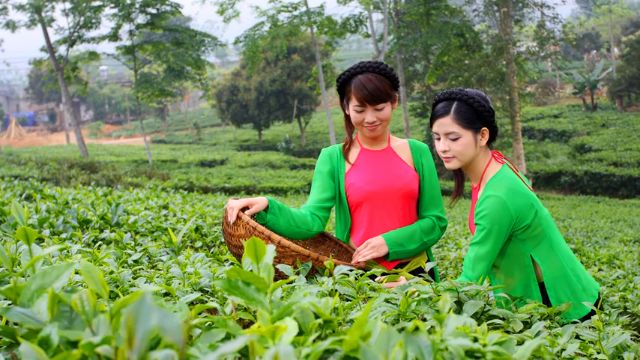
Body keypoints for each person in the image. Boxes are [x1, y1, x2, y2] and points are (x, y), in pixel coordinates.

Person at [226, 60, 448, 286]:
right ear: (346, 107)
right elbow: (311, 220)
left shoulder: (417, 152)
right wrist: (268, 206)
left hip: (414, 273)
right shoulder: (333, 158)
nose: (370, 118)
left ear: (394, 102)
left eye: (379, 108)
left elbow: (435, 221)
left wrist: (388, 243)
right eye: (360, 110)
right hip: (360, 275)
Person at [429, 88, 601, 321]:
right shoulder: (498, 164)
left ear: (482, 136)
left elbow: (470, 277)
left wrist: (416, 291)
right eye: (437, 137)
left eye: (453, 138)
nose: (442, 148)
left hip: (564, 307)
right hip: (571, 291)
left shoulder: (497, 198)